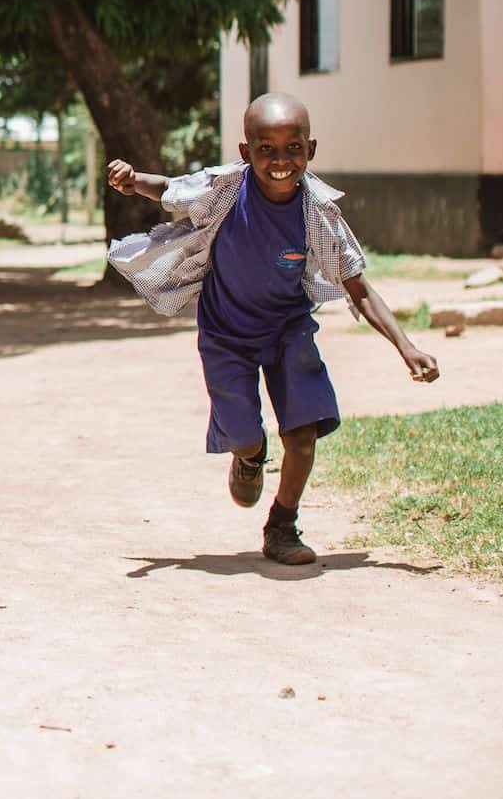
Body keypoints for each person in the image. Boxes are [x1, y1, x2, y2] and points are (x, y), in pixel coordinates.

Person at [106, 91, 439, 564]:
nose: (280, 161)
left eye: (293, 148)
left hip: (288, 331)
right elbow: (171, 191)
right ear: (246, 152)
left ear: (311, 149)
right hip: (226, 335)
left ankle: (283, 524)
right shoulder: (224, 190)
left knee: (302, 435)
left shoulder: (317, 214)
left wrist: (406, 346)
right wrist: (132, 180)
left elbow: (357, 286)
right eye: (266, 149)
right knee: (245, 435)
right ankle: (248, 454)